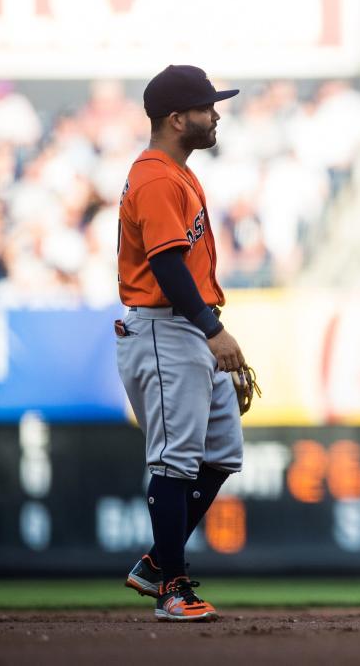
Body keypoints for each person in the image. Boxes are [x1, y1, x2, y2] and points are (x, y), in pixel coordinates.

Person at [115, 65, 248, 622]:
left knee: (221, 452)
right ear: (176, 119)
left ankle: (154, 562)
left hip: (186, 325)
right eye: (206, 107)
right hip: (164, 326)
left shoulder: (176, 172)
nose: (215, 114)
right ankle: (173, 587)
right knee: (174, 462)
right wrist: (212, 330)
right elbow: (166, 264)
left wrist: (208, 327)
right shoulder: (156, 178)